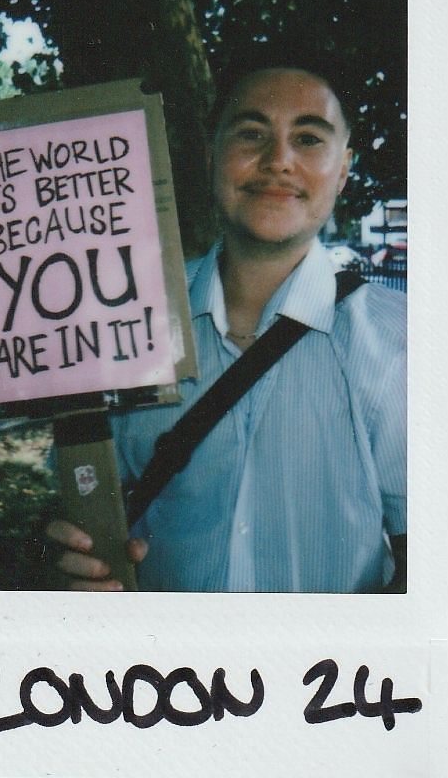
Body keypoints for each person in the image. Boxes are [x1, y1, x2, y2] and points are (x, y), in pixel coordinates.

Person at [47, 65, 406, 593]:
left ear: (344, 169)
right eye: (251, 133)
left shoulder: (403, 344)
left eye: (308, 138)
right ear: (211, 156)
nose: (278, 161)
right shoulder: (123, 319)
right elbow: (90, 504)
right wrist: (81, 559)